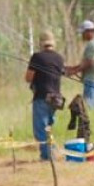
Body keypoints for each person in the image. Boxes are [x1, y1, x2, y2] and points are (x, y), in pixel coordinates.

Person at [24, 30, 66, 161]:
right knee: (48, 127)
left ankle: (47, 157)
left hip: (42, 97)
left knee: (41, 129)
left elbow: (28, 78)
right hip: (56, 99)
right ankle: (50, 153)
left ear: (41, 43)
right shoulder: (59, 58)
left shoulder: (37, 57)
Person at [66, 20, 94, 109]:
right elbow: (86, 62)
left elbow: (89, 63)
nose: (82, 35)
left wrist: (73, 71)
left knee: (88, 105)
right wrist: (71, 68)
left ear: (89, 31)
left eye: (83, 33)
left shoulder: (93, 44)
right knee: (87, 104)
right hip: (91, 78)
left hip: (93, 79)